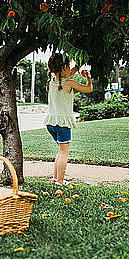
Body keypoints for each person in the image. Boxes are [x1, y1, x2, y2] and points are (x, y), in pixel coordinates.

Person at [44, 53, 93, 185]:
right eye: (69, 65)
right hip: (62, 124)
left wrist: (79, 65)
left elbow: (67, 73)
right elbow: (88, 89)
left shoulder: (51, 81)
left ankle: (55, 178)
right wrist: (88, 77)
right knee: (64, 153)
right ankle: (60, 180)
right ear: (65, 67)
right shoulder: (69, 83)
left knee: (60, 152)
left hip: (51, 123)